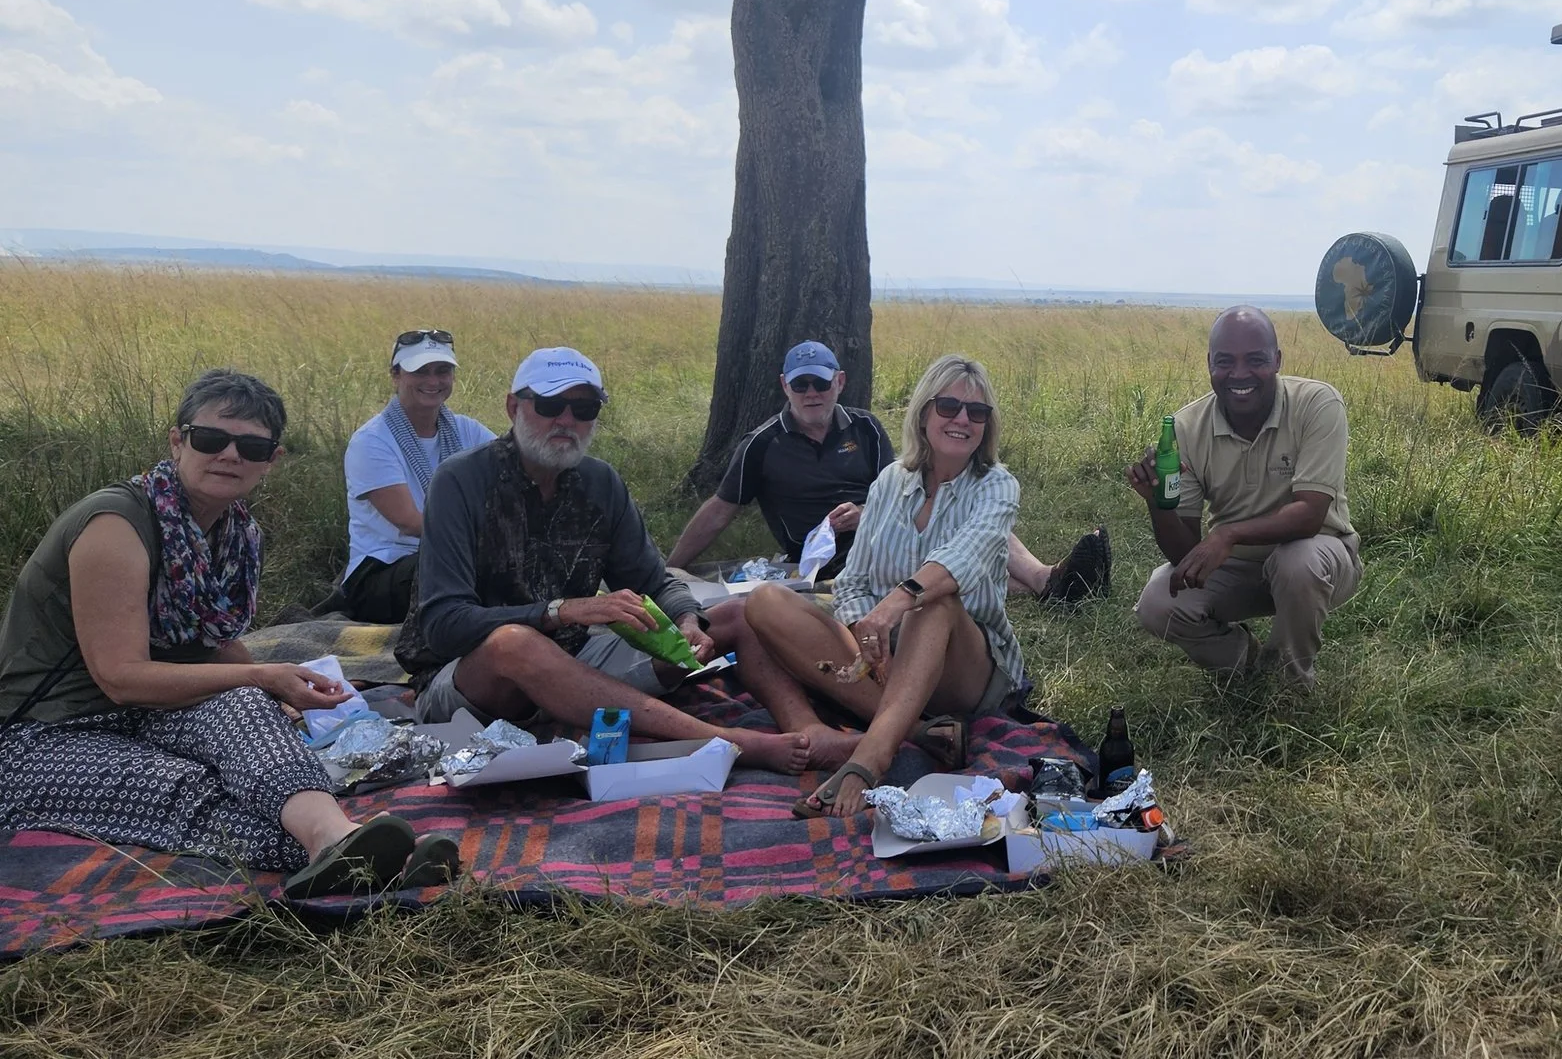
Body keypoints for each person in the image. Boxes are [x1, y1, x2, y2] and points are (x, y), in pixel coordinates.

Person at [0, 370, 459, 897]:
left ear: (272, 459)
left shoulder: (236, 532)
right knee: (183, 786)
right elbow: (120, 678)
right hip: (51, 732)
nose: (229, 456)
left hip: (153, 713)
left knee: (246, 710)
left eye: (251, 446)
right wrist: (262, 674)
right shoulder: (115, 525)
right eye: (211, 439)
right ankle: (376, 857)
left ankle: (336, 838)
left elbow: (215, 643)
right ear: (178, 441)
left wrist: (277, 693)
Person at [390, 347, 814, 771]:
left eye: (583, 408)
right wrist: (561, 612)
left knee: (737, 614)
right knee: (514, 642)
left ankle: (809, 734)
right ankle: (727, 741)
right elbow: (444, 625)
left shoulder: (599, 483)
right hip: (472, 680)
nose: (566, 420)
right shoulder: (460, 482)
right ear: (512, 407)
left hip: (574, 661)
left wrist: (686, 620)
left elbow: (655, 581)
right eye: (551, 404)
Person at [743, 354, 1026, 816]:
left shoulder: (997, 486)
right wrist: (864, 630)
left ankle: (870, 756)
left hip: (965, 665)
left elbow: (962, 559)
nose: (962, 420)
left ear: (987, 426)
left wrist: (895, 604)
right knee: (765, 601)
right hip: (887, 657)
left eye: (977, 413)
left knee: (933, 602)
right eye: (949, 407)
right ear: (923, 412)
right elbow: (853, 580)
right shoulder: (890, 483)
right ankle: (915, 731)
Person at [668, 340, 1110, 602]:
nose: (811, 393)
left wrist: (869, 512)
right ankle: (1050, 584)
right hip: (827, 559)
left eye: (820, 382)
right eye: (800, 384)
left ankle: (1045, 578)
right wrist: (669, 571)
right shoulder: (761, 445)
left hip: (888, 525)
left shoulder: (865, 426)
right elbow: (719, 511)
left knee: (959, 511)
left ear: (838, 382)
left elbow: (905, 485)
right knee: (943, 554)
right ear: (785, 386)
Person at [1130, 307, 1361, 686]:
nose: (1239, 374)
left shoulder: (1318, 404)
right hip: (1238, 567)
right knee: (1158, 602)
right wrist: (1157, 503)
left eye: (1255, 360)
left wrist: (1227, 535)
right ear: (1209, 364)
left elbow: (1310, 515)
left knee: (1297, 561)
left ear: (1277, 361)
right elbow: (1183, 555)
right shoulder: (1187, 428)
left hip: (1320, 557)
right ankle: (1252, 666)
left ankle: (1291, 684)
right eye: (1225, 362)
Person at [332, 328, 499, 624]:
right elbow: (410, 523)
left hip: (450, 557)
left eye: (442, 371)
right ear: (396, 375)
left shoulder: (466, 430)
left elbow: (517, 470)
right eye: (420, 371)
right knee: (474, 569)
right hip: (382, 572)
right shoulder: (371, 441)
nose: (432, 381)